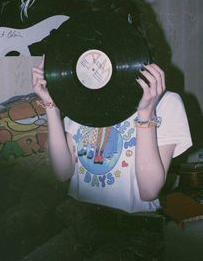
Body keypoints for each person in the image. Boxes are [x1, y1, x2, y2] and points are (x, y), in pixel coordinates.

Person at [28, 55, 192, 260]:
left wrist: (145, 114)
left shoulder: (167, 102)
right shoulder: (81, 101)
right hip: (79, 223)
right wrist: (50, 104)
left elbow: (149, 191)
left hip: (133, 232)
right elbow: (62, 172)